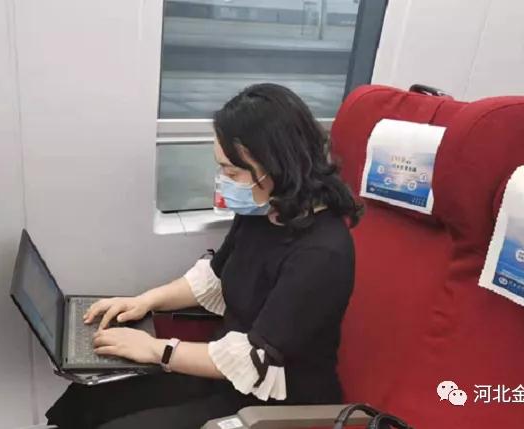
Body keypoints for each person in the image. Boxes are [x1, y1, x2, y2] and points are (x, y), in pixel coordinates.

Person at [46, 83, 364, 429]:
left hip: (274, 400)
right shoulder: (265, 209)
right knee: (88, 396)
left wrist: (155, 349)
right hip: (223, 371)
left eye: (233, 172)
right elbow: (213, 278)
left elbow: (254, 359)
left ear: (277, 166)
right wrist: (143, 301)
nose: (225, 180)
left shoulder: (322, 253)